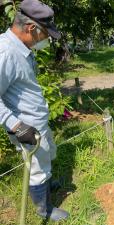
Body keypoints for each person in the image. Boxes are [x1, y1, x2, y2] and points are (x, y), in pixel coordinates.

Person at [0, 0, 69, 221]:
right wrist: (17, 126)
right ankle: (44, 209)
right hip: (26, 128)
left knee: (47, 154)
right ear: (31, 28)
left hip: (37, 122)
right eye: (45, 34)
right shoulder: (6, 53)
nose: (46, 40)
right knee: (37, 168)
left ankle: (46, 186)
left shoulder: (22, 49)